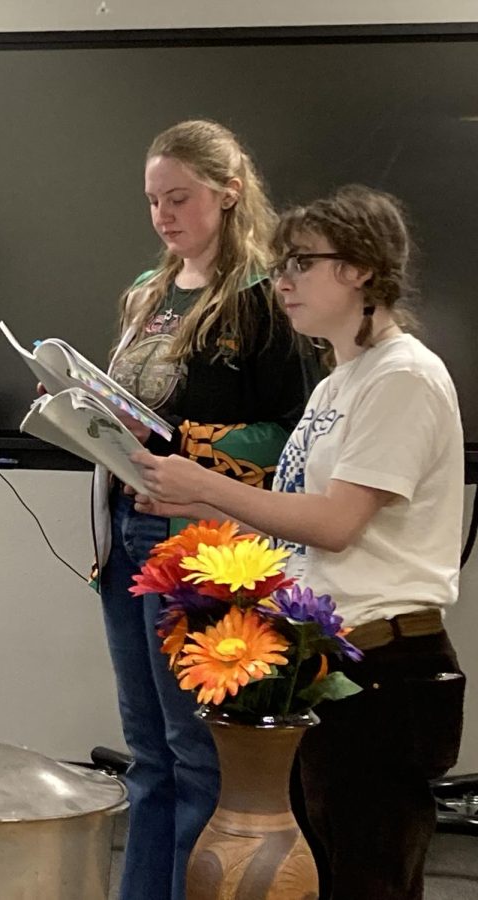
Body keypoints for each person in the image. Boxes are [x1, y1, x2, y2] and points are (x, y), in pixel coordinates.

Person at [133, 185, 466, 900]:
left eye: (303, 263)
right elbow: (295, 516)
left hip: (385, 665)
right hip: (332, 657)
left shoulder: (403, 376)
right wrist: (192, 500)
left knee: (366, 876)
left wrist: (210, 483)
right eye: (282, 263)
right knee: (323, 867)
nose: (281, 281)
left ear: (363, 270)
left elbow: (337, 525)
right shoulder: (338, 381)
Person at [93, 120, 314, 899]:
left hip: (203, 540)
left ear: (228, 193)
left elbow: (293, 433)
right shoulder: (148, 294)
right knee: (146, 752)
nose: (163, 214)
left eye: (179, 197)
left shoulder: (264, 299)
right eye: (154, 200)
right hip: (123, 532)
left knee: (194, 752)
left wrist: (186, 442)